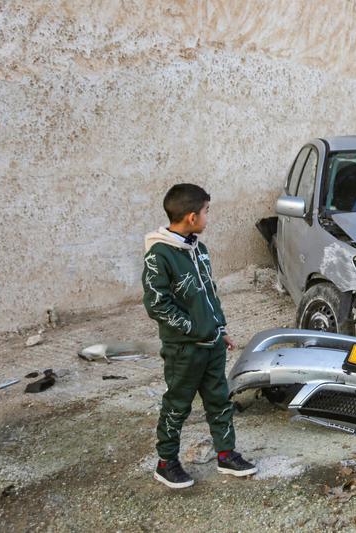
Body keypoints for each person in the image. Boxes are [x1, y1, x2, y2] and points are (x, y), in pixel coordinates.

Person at [142, 183, 257, 489]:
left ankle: (226, 454)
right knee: (177, 405)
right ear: (192, 217)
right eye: (207, 211)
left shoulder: (198, 249)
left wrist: (219, 329)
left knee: (219, 400)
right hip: (184, 350)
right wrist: (194, 330)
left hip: (212, 345)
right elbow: (157, 303)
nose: (208, 217)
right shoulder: (160, 255)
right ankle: (166, 463)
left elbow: (209, 295)